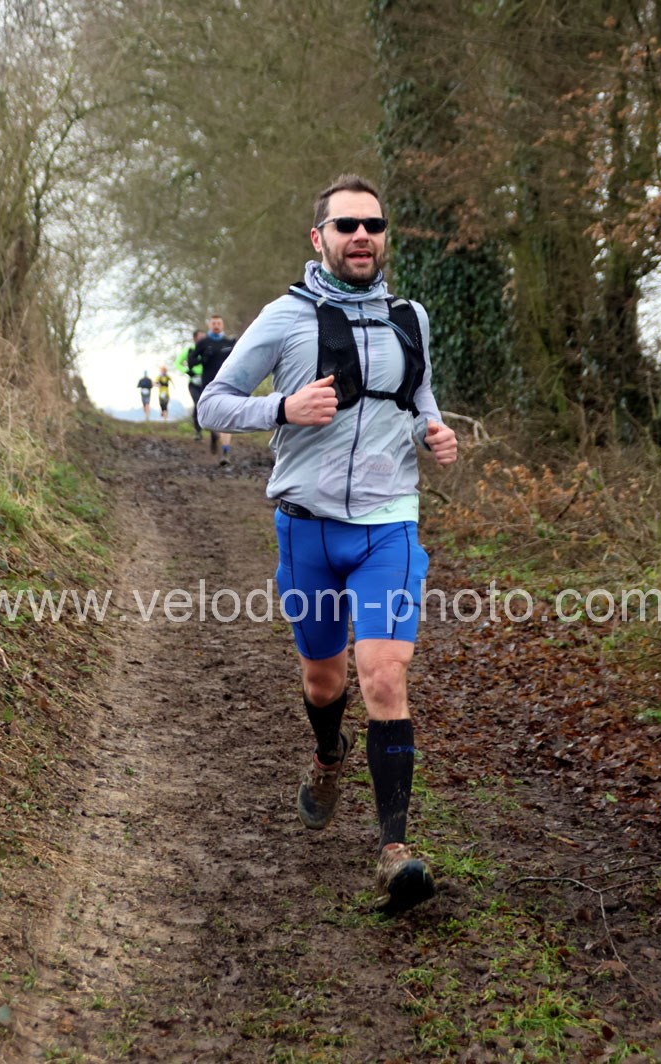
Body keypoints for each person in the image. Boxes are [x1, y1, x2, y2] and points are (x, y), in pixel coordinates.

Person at [198, 174, 458, 914]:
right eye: (346, 225)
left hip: (389, 525)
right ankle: (327, 752)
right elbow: (212, 403)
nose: (362, 236)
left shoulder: (411, 317)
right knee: (324, 682)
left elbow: (418, 396)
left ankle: (394, 850)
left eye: (373, 225)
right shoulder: (285, 317)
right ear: (320, 238)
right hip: (308, 526)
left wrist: (433, 432)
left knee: (384, 676)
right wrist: (282, 406)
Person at [191, 315, 236, 461]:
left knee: (226, 414)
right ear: (209, 325)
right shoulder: (203, 343)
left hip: (227, 383)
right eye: (214, 323)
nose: (216, 325)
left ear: (222, 325)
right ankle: (214, 435)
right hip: (208, 385)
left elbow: (241, 360)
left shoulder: (229, 343)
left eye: (219, 323)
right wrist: (202, 360)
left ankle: (226, 450)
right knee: (213, 413)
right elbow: (191, 360)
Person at [175, 331, 207, 439]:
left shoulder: (208, 349)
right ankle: (197, 430)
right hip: (193, 383)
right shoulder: (189, 350)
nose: (203, 340)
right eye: (200, 337)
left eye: (204, 337)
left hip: (207, 382)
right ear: (195, 339)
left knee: (206, 404)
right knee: (198, 403)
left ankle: (210, 428)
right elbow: (177, 363)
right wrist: (187, 371)